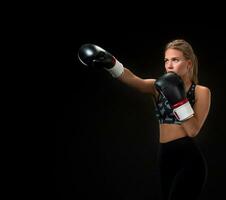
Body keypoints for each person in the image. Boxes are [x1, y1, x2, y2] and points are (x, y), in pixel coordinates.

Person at [78, 39, 211, 200]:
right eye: (166, 60)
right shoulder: (158, 87)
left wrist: (178, 98)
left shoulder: (201, 92)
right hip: (165, 156)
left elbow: (193, 130)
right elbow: (134, 80)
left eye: (175, 60)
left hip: (188, 159)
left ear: (188, 64)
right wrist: (111, 63)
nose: (169, 65)